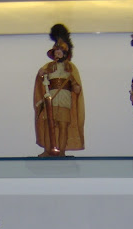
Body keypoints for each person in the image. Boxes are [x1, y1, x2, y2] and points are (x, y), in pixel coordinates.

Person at [33, 23, 85, 157]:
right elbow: (41, 79)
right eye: (56, 50)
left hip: (64, 101)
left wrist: (76, 87)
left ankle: (61, 151)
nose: (58, 52)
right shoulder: (49, 67)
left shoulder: (70, 68)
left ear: (65, 53)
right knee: (47, 125)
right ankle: (47, 150)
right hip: (51, 99)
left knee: (63, 126)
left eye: (60, 51)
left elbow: (76, 86)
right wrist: (41, 74)